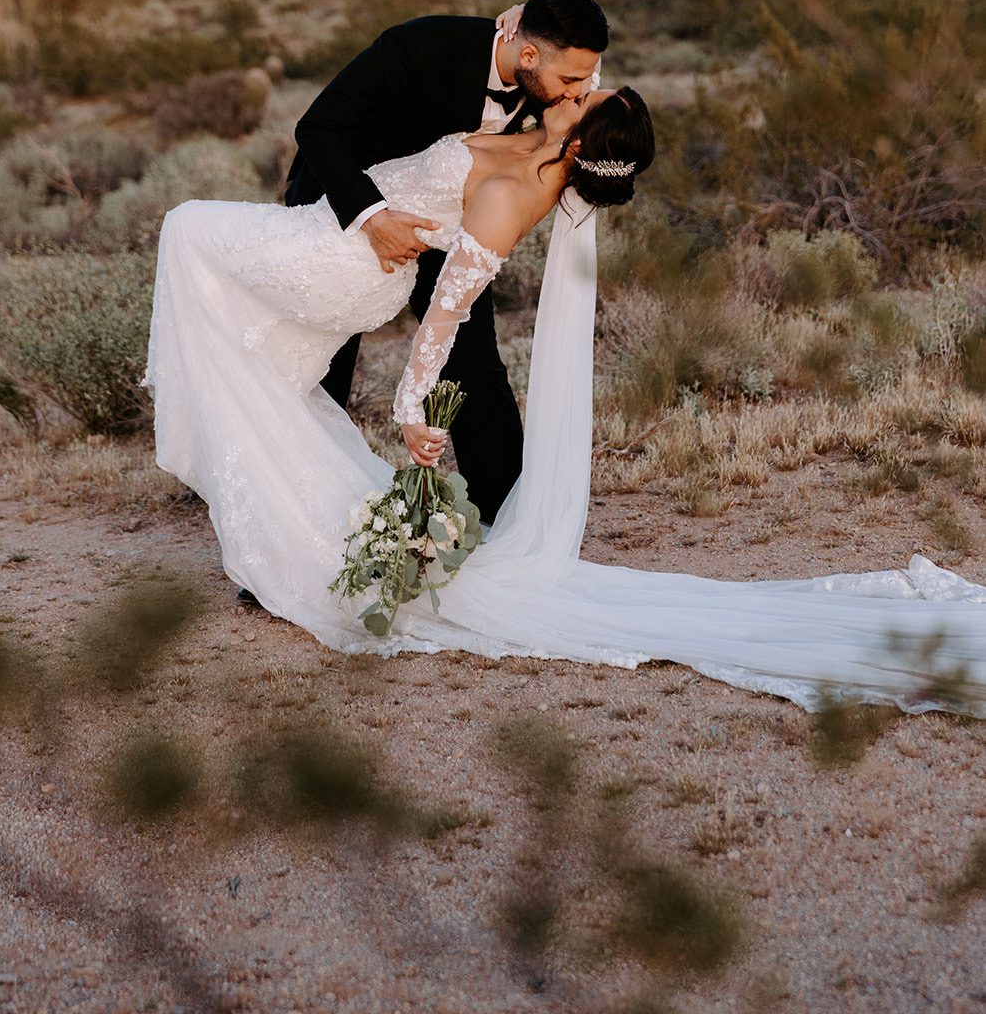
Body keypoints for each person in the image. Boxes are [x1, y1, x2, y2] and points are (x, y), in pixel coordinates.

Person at [145, 55, 986, 719]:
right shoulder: (538, 144)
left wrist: (410, 409)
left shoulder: (516, 193)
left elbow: (447, 309)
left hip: (349, 266)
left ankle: (235, 484)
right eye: (582, 80)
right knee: (264, 370)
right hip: (337, 247)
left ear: (579, 143)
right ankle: (259, 504)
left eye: (587, 94)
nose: (578, 87)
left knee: (185, 230)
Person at [283, 0, 610, 525]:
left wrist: (524, 15)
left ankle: (508, 522)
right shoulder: (419, 47)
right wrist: (372, 218)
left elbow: (585, 85)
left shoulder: (555, 79)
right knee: (325, 363)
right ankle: (297, 530)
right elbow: (318, 129)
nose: (581, 90)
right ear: (526, 54)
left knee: (473, 357)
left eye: (583, 80)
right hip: (346, 209)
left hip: (452, 222)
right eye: (573, 80)